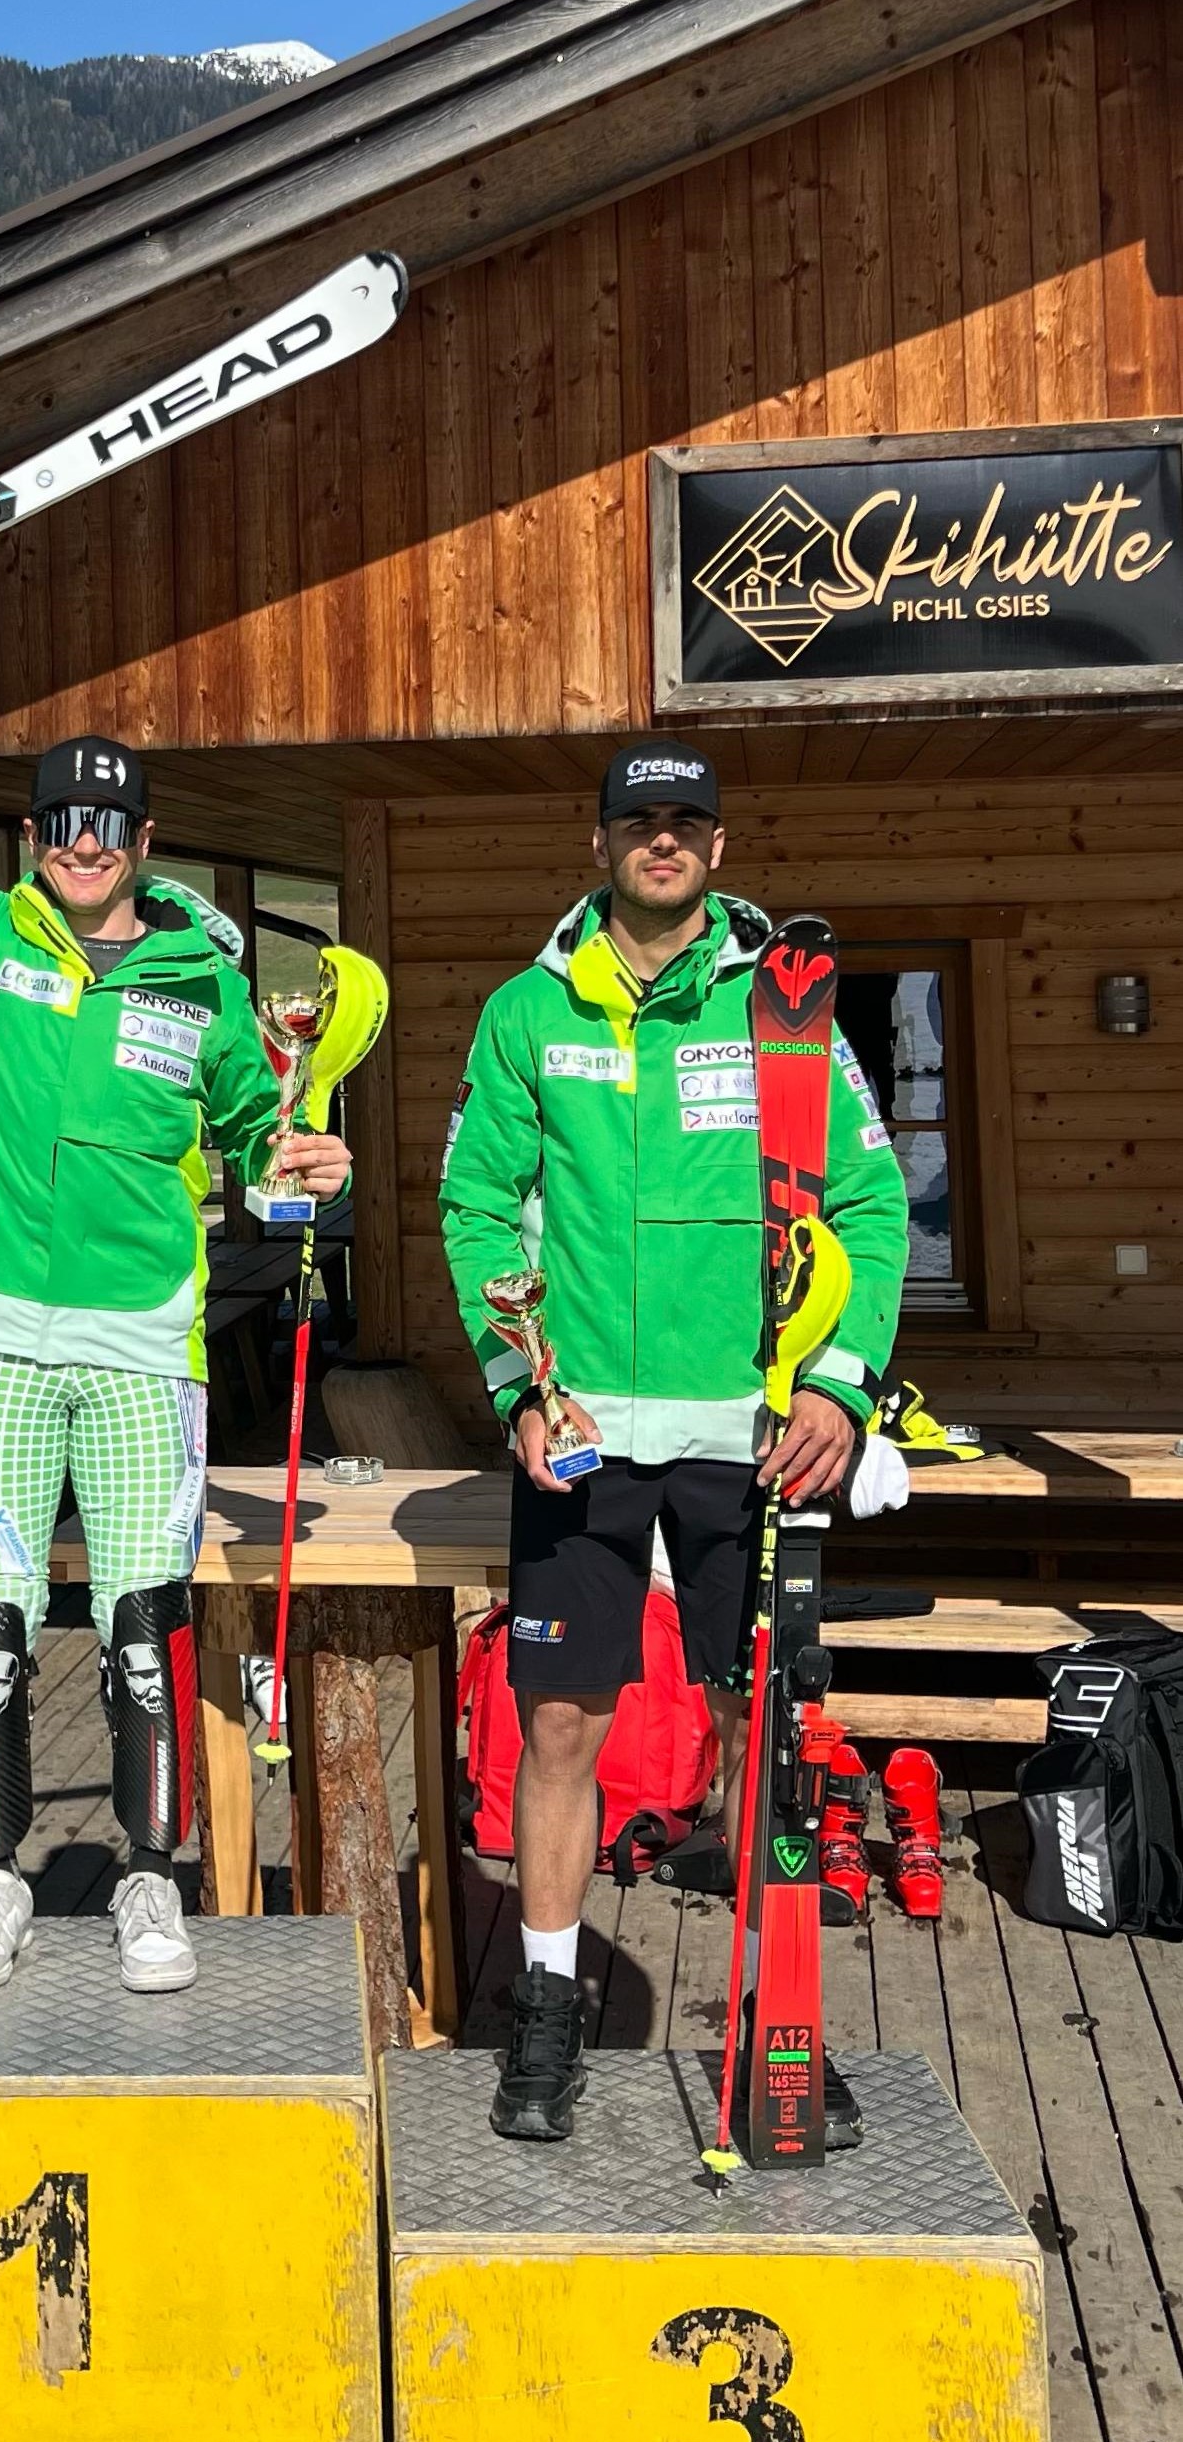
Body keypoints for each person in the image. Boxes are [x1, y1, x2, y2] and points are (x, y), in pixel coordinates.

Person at [0, 540, 348, 1992]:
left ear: (145, 836)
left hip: (138, 1349)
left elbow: (255, 1130)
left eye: (107, 822)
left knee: (143, 1627)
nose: (83, 841)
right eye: (61, 821)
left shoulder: (207, 982)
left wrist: (302, 1157)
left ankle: (149, 1881)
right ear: (37, 835)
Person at [439, 741, 909, 2142]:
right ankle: (544, 2007)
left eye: (686, 820)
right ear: (597, 842)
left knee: (764, 1731)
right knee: (559, 1722)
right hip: (581, 1431)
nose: (663, 839)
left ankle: (780, 2012)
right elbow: (477, 1209)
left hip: (748, 1435)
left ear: (716, 843)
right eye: (638, 819)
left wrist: (839, 1387)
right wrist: (520, 1388)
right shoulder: (529, 1013)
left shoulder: (781, 1006)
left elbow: (871, 1204)